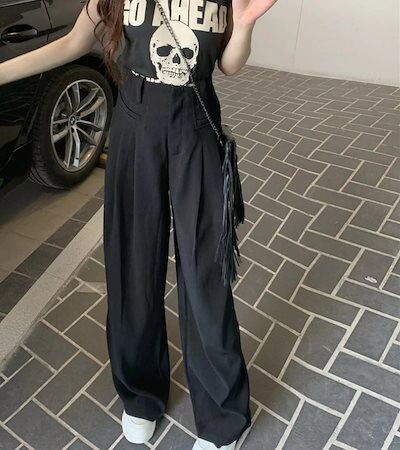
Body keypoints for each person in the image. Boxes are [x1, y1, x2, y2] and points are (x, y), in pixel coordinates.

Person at [0, 0, 278, 448]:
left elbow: (228, 65)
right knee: (132, 261)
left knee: (205, 270)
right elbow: (73, 43)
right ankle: (140, 395)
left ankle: (222, 414)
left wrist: (244, 24)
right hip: (135, 120)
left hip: (196, 122)